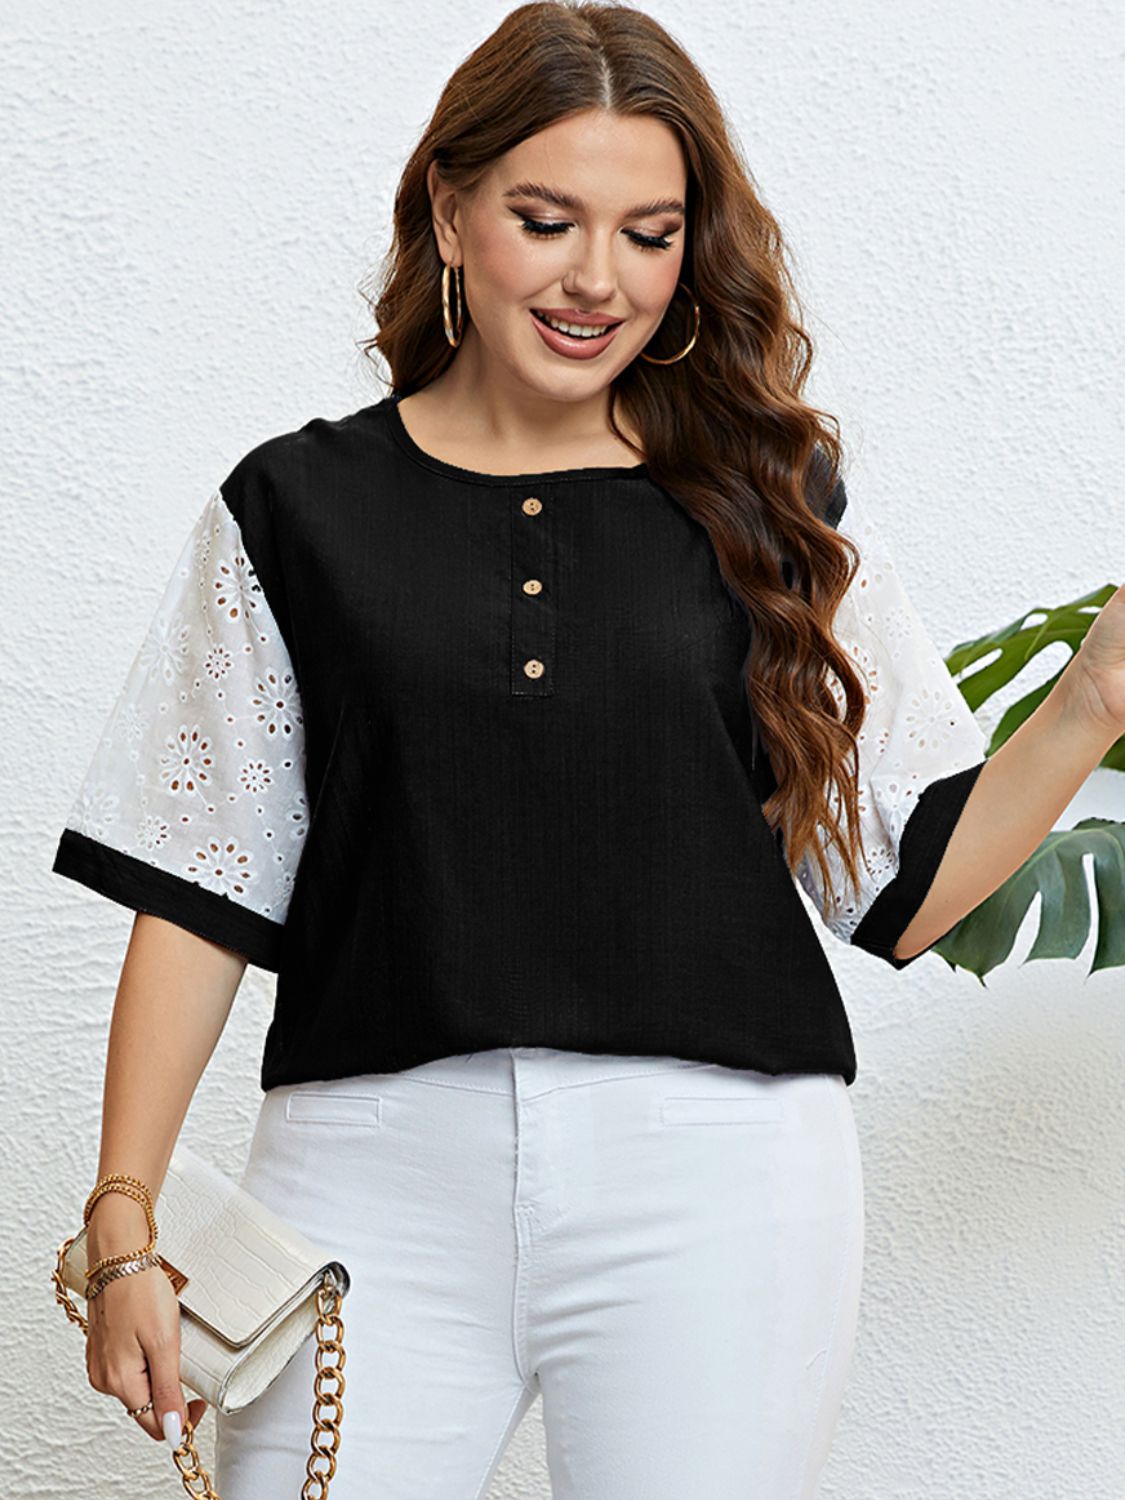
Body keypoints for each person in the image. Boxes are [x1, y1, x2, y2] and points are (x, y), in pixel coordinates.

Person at [51, 5, 1125, 1498]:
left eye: (648, 234)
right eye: (546, 221)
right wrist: (123, 1225)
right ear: (449, 212)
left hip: (720, 1177)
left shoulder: (771, 503)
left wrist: (1092, 700)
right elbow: (201, 887)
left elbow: (905, 888)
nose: (595, 280)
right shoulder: (294, 509)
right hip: (365, 1173)